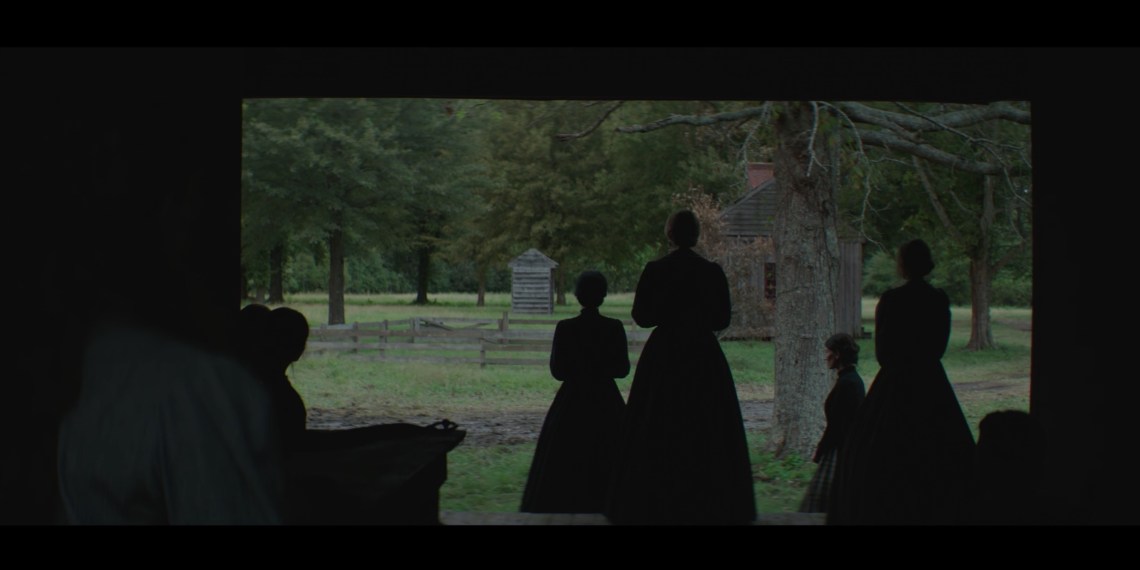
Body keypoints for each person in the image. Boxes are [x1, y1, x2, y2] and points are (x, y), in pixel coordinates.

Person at [605, 210, 756, 525]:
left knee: (657, 423)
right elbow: (721, 319)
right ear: (696, 236)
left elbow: (642, 317)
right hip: (703, 357)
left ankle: (656, 502)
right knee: (706, 426)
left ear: (670, 235)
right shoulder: (711, 271)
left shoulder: (656, 270)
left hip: (664, 357)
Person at [828, 239, 975, 525]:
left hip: (894, 385)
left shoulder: (892, 300)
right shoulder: (938, 299)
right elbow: (939, 347)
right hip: (931, 385)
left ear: (903, 264)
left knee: (873, 456)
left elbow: (883, 353)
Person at [520, 271, 630, 513]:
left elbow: (558, 371)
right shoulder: (613, 327)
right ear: (603, 295)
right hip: (606, 402)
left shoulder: (566, 328)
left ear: (577, 295)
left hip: (571, 403)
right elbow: (622, 369)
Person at [800, 333, 865, 513]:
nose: (825, 356)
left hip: (840, 451)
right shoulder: (850, 380)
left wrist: (820, 450)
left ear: (837, 354)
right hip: (844, 448)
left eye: (827, 351)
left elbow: (837, 426)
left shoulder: (848, 383)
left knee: (823, 505)